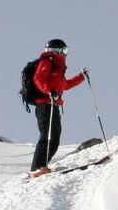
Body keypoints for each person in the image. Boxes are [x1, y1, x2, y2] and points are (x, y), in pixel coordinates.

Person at [29, 39, 87, 177]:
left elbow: (64, 85)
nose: (66, 54)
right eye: (64, 50)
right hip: (44, 104)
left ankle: (41, 167)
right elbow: (38, 79)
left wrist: (81, 77)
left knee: (54, 137)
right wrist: (49, 91)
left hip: (53, 104)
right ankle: (37, 168)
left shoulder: (58, 67)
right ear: (56, 51)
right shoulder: (47, 62)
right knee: (47, 136)